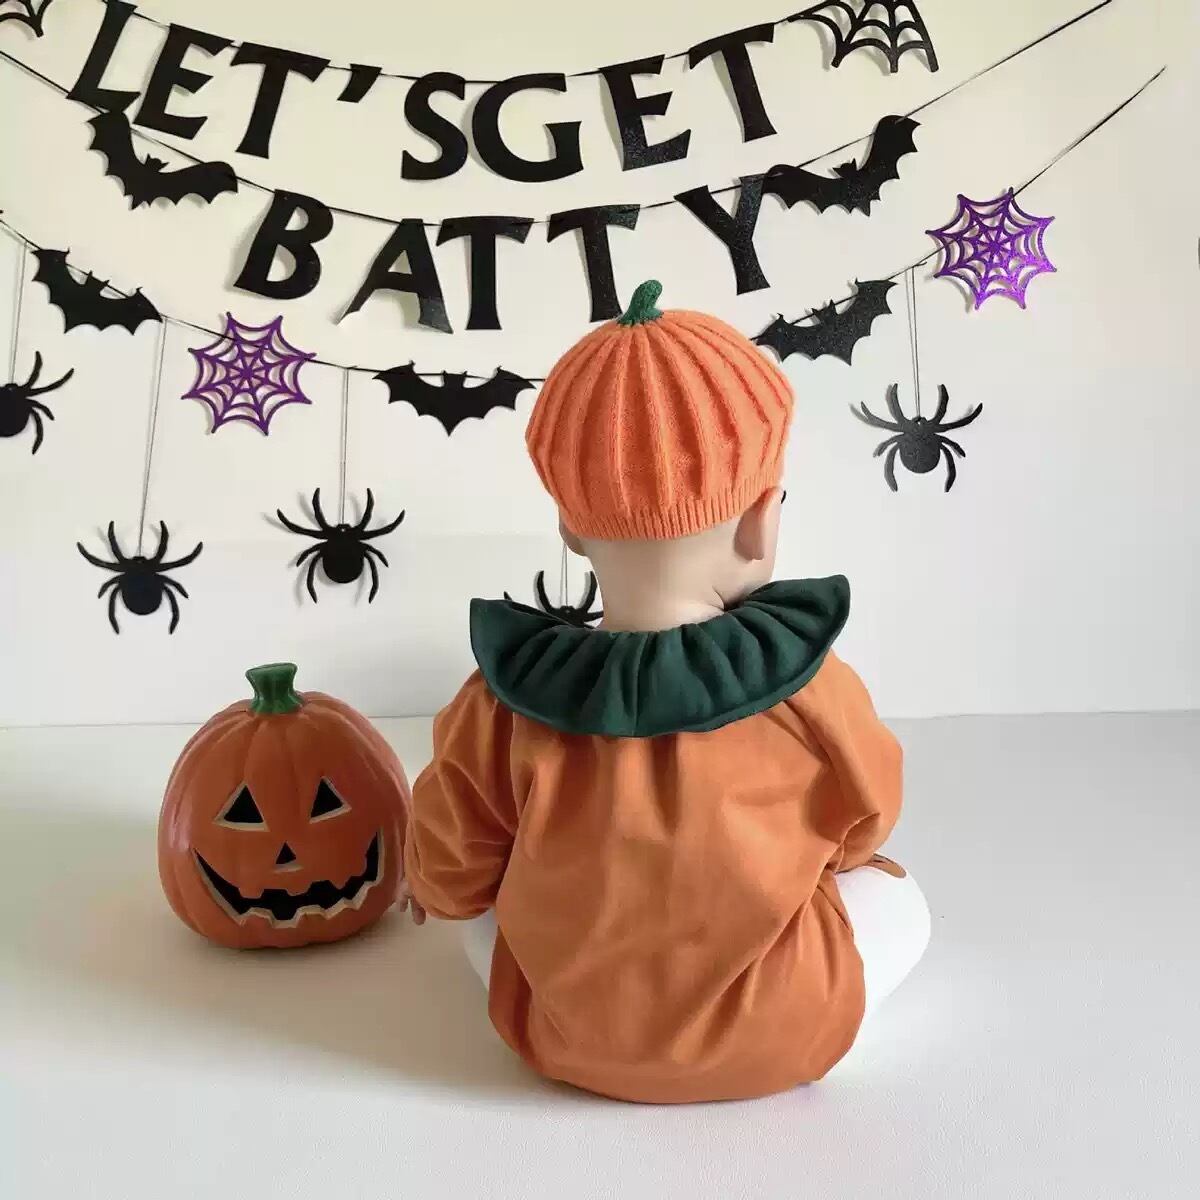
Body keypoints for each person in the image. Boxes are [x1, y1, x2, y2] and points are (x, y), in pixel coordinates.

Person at [401, 281, 930, 1103]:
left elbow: (451, 871)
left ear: (570, 529)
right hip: (782, 1030)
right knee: (903, 900)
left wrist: (438, 888)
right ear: (760, 520)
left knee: (481, 917)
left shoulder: (503, 702)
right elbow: (867, 822)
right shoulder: (807, 686)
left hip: (564, 1035)